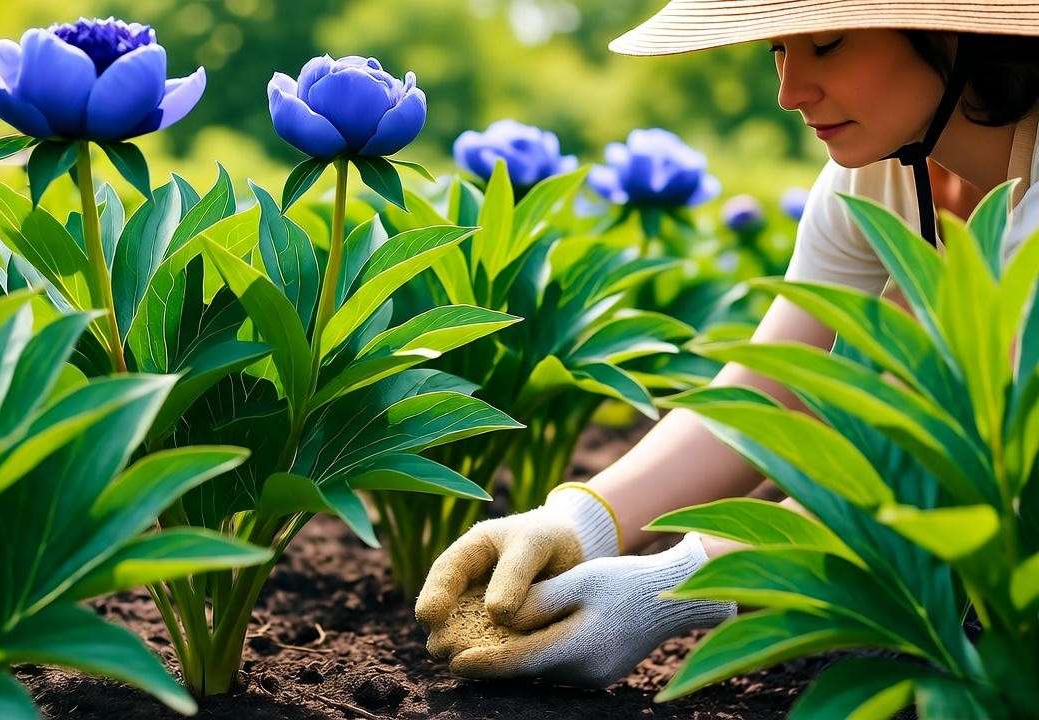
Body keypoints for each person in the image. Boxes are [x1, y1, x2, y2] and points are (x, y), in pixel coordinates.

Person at [415, 0, 1039, 688]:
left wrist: (675, 584)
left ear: (954, 34)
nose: (788, 91)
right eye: (777, 49)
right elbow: (765, 396)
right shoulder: (879, 175)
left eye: (827, 44)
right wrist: (582, 521)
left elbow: (954, 477)